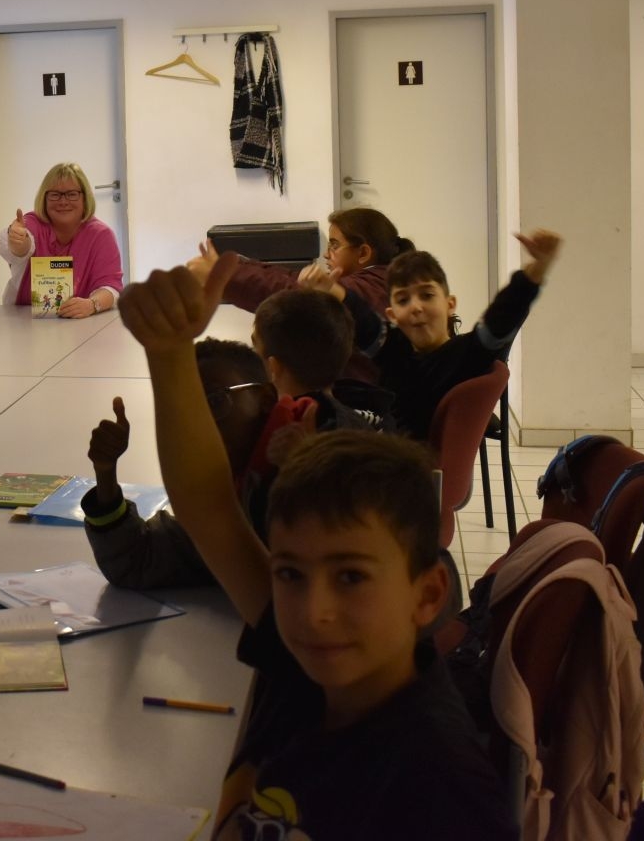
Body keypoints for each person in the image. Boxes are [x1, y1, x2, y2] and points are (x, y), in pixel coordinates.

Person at [118, 254, 513, 840]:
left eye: (351, 577)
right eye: (289, 574)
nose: (313, 610)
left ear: (427, 595)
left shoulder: (439, 784)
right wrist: (168, 352)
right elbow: (209, 510)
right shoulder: (303, 656)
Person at [323, 232, 563, 441]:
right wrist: (332, 289)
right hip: (392, 448)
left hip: (407, 467)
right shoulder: (396, 349)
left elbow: (502, 316)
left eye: (427, 295)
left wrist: (536, 270)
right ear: (392, 315)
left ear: (450, 304)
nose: (416, 307)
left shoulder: (466, 355)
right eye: (403, 300)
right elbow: (365, 321)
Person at [82, 339, 274, 589]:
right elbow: (138, 560)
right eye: (188, 410)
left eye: (215, 401)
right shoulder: (226, 492)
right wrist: (105, 471)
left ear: (266, 398)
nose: (199, 422)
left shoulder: (309, 478)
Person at [190, 205, 410, 318]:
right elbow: (290, 278)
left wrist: (224, 275)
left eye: (334, 245)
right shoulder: (379, 279)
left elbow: (290, 293)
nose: (326, 254)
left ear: (363, 253)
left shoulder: (364, 289)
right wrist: (237, 265)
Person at [0, 161, 123, 317]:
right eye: (55, 195)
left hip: (82, 321)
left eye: (72, 194)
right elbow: (14, 246)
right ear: (44, 199)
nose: (63, 202)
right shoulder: (32, 223)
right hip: (24, 319)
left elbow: (111, 287)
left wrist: (91, 305)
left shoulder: (101, 235)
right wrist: (18, 242)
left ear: (85, 198)